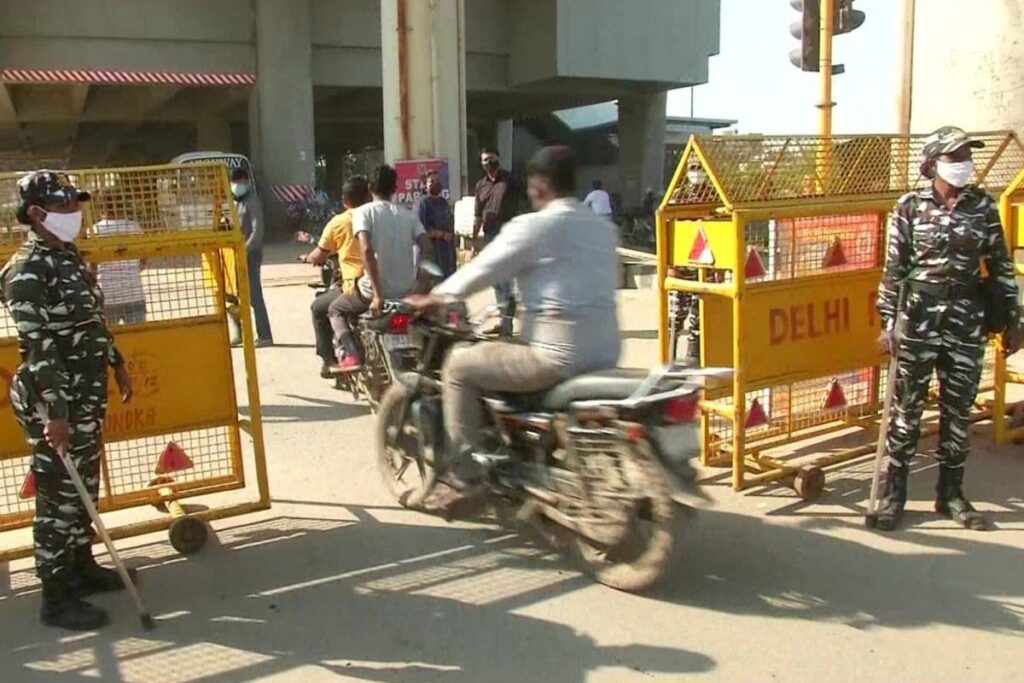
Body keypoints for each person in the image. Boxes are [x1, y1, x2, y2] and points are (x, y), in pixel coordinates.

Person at [406, 146, 621, 509]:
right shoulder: (603, 228)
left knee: (458, 366)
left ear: (537, 185)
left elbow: (485, 268)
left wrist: (436, 297)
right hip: (606, 351)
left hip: (555, 356)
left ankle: (464, 476)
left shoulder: (535, 226)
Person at [1, 171, 134, 630]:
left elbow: (90, 321)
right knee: (58, 498)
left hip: (84, 393)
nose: (74, 215)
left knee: (84, 487)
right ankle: (55, 597)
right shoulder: (26, 271)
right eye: (63, 208)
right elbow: (39, 349)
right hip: (52, 401)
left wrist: (116, 361)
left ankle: (82, 567)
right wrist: (56, 414)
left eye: (74, 205)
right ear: (36, 215)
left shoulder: (69, 257)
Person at [873, 126, 1022, 532]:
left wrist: (1013, 316)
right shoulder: (908, 207)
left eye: (966, 157)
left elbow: (1000, 265)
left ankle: (951, 494)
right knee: (907, 411)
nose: (963, 165)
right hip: (919, 317)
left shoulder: (982, 207)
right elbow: (894, 271)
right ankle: (893, 496)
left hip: (965, 319)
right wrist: (888, 323)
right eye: (955, 157)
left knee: (957, 412)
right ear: (934, 163)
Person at [327, 164, 435, 373]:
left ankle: (350, 356)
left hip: (373, 293)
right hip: (406, 293)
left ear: (370, 188)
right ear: (394, 189)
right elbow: (428, 248)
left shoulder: (363, 213)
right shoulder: (408, 215)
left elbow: (366, 250)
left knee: (335, 309)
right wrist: (421, 286)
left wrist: (377, 295)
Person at [303, 176, 372, 377]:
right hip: (389, 283)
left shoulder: (339, 222)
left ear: (344, 200)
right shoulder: (378, 215)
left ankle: (328, 361)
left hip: (356, 285)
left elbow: (319, 254)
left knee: (318, 308)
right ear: (368, 196)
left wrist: (309, 258)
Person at [472, 147, 521, 336]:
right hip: (490, 235)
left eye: (491, 159)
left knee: (505, 279)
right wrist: (475, 240)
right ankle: (503, 321)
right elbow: (477, 215)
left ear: (498, 159)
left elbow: (527, 200)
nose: (488, 163)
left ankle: (507, 325)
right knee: (496, 280)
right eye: (485, 160)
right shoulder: (480, 186)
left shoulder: (511, 180)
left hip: (508, 234)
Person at [231, 167, 273, 347]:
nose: (236, 186)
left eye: (239, 182)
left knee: (254, 295)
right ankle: (239, 333)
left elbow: (257, 230)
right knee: (232, 296)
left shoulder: (252, 201)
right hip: (232, 255)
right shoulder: (234, 201)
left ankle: (265, 335)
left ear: (246, 182)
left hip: (250, 255)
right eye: (234, 183)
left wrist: (245, 250)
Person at [91, 193, 147, 324]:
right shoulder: (134, 228)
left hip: (108, 295)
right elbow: (144, 260)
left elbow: (93, 266)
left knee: (110, 338)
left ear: (101, 208)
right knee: (139, 337)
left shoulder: (96, 230)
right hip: (134, 292)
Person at [418, 172, 456, 277]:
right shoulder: (423, 204)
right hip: (432, 252)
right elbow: (422, 230)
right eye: (432, 181)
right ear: (425, 186)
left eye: (437, 181)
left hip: (447, 252)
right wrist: (441, 234)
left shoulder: (443, 202)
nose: (435, 184)